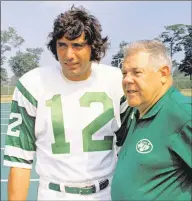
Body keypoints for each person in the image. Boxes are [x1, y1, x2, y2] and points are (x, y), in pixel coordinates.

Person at [3, 5, 128, 201]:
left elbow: (130, 154)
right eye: (62, 45)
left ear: (93, 47)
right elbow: (20, 161)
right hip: (53, 194)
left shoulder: (118, 82)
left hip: (106, 193)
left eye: (77, 45)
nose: (69, 55)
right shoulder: (32, 85)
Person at [111, 40, 192, 201]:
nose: (127, 80)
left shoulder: (182, 115)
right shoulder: (137, 111)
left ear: (163, 73)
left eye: (137, 72)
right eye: (124, 73)